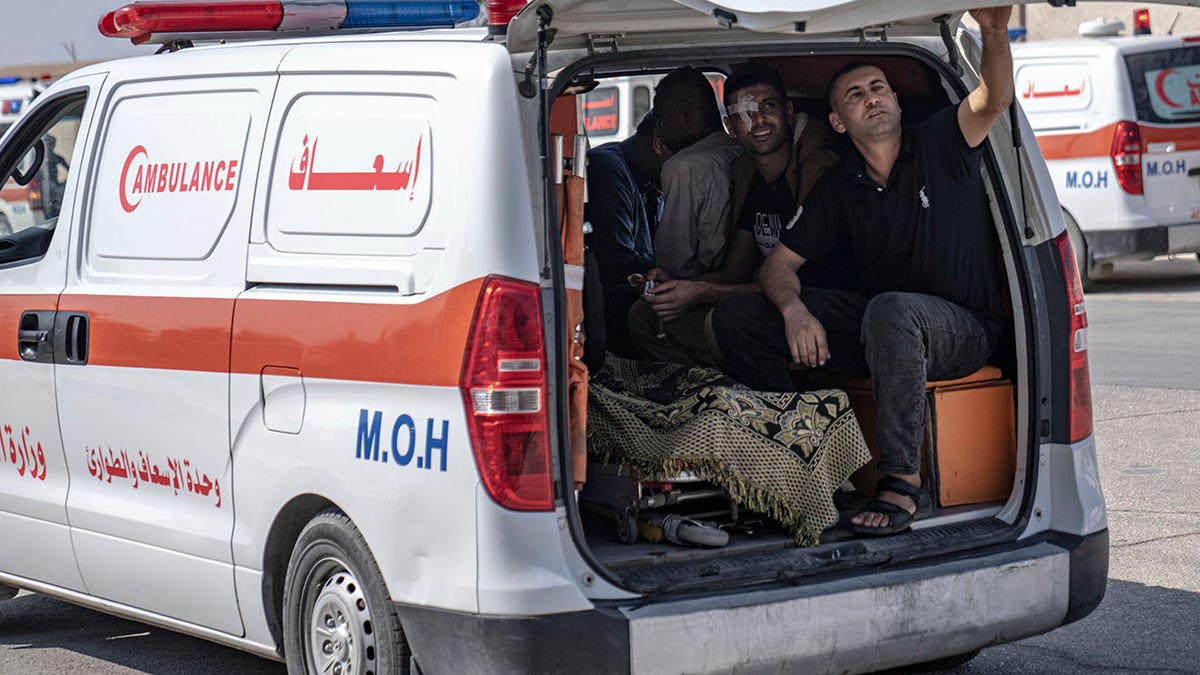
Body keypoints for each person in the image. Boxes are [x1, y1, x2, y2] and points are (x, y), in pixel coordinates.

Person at [711, 6, 1013, 536]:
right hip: (884, 326)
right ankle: (802, 468)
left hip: (962, 329)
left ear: (896, 101)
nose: (872, 97)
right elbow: (777, 265)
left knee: (891, 310)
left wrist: (992, 31)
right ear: (836, 121)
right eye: (855, 94)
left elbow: (993, 99)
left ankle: (901, 481)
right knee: (741, 315)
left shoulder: (943, 140)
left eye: (879, 87)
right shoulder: (840, 181)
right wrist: (794, 310)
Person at [630, 62, 849, 367]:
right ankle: (702, 396)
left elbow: (799, 281)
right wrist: (679, 284)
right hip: (765, 304)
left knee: (726, 321)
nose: (757, 119)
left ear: (788, 112)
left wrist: (702, 291)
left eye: (767, 106)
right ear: (731, 128)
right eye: (743, 113)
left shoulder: (818, 171)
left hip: (811, 308)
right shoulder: (753, 180)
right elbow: (734, 271)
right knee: (646, 316)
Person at [625, 67, 743, 366]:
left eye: (662, 120)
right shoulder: (738, 150)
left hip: (716, 293)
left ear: (687, 115)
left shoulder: (683, 166)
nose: (660, 132)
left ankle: (693, 387)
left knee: (643, 316)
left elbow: (674, 260)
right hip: (738, 283)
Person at [584, 111, 672, 358]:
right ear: (659, 144)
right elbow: (616, 262)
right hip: (608, 312)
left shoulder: (652, 184)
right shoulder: (607, 169)